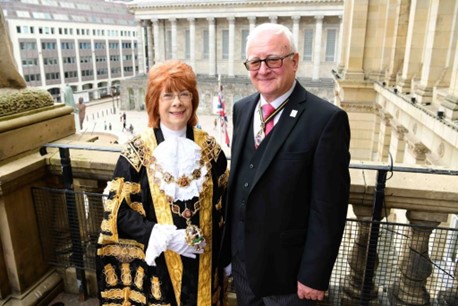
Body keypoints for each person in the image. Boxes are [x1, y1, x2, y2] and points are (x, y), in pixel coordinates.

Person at [222, 23, 351, 305]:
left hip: (289, 278)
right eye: (255, 61)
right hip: (244, 269)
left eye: (273, 60)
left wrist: (314, 275)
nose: (263, 69)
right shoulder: (242, 109)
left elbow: (329, 208)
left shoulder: (326, 120)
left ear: (294, 61)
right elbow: (242, 183)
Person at [96, 60, 230, 306]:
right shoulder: (135, 153)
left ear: (193, 100)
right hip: (158, 268)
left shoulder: (211, 150)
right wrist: (160, 235)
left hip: (205, 265)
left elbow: (226, 206)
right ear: (155, 103)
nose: (177, 102)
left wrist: (227, 255)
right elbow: (117, 213)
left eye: (184, 94)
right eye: (167, 95)